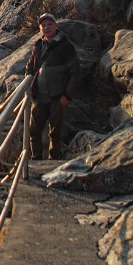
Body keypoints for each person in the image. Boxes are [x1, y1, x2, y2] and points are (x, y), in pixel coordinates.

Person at [25, 13, 82, 160]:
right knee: (34, 131)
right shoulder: (38, 45)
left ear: (56, 26)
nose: (47, 27)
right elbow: (30, 67)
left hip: (58, 97)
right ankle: (35, 159)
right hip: (39, 96)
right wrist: (30, 86)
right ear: (40, 29)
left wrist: (67, 96)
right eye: (43, 25)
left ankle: (54, 159)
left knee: (55, 132)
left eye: (50, 24)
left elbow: (75, 72)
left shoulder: (65, 46)